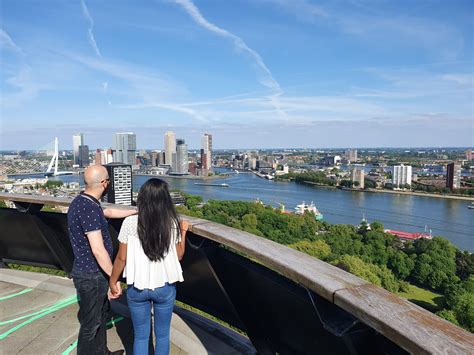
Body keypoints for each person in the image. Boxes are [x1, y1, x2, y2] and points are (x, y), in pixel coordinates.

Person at [109, 178, 188, 355]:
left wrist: (113, 281)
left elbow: (121, 258)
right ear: (165, 200)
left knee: (141, 336)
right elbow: (180, 255)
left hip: (137, 287)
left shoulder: (130, 223)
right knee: (162, 336)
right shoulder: (171, 223)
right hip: (164, 287)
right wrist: (183, 231)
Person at [67, 165, 137, 355]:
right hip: (92, 276)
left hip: (88, 273)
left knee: (99, 318)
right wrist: (114, 279)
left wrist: (134, 212)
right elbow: (98, 250)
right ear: (105, 183)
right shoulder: (88, 208)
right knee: (91, 324)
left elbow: (106, 213)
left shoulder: (84, 202)